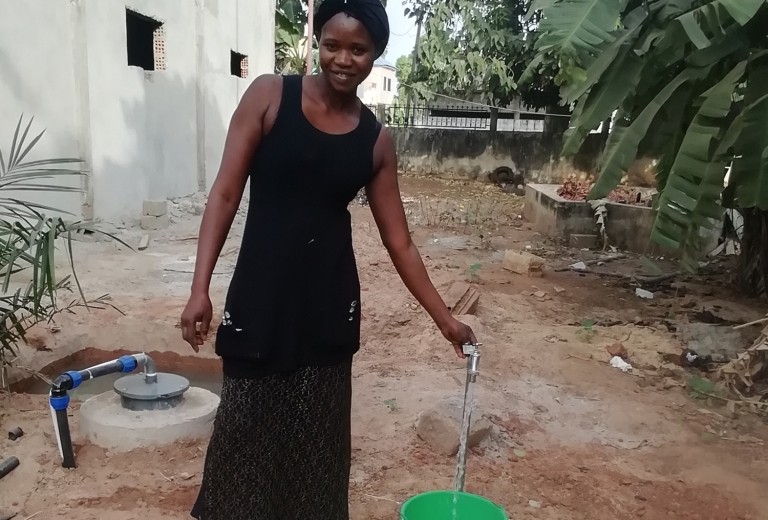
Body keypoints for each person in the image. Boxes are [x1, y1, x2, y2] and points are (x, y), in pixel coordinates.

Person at [181, 0, 476, 518]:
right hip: (260, 298)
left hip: (327, 308)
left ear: (375, 54)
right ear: (317, 43)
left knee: (317, 450)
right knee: (242, 437)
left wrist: (444, 319)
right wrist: (199, 287)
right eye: (332, 45)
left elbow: (399, 242)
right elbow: (225, 194)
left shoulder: (375, 141)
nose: (343, 59)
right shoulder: (270, 97)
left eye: (358, 49)